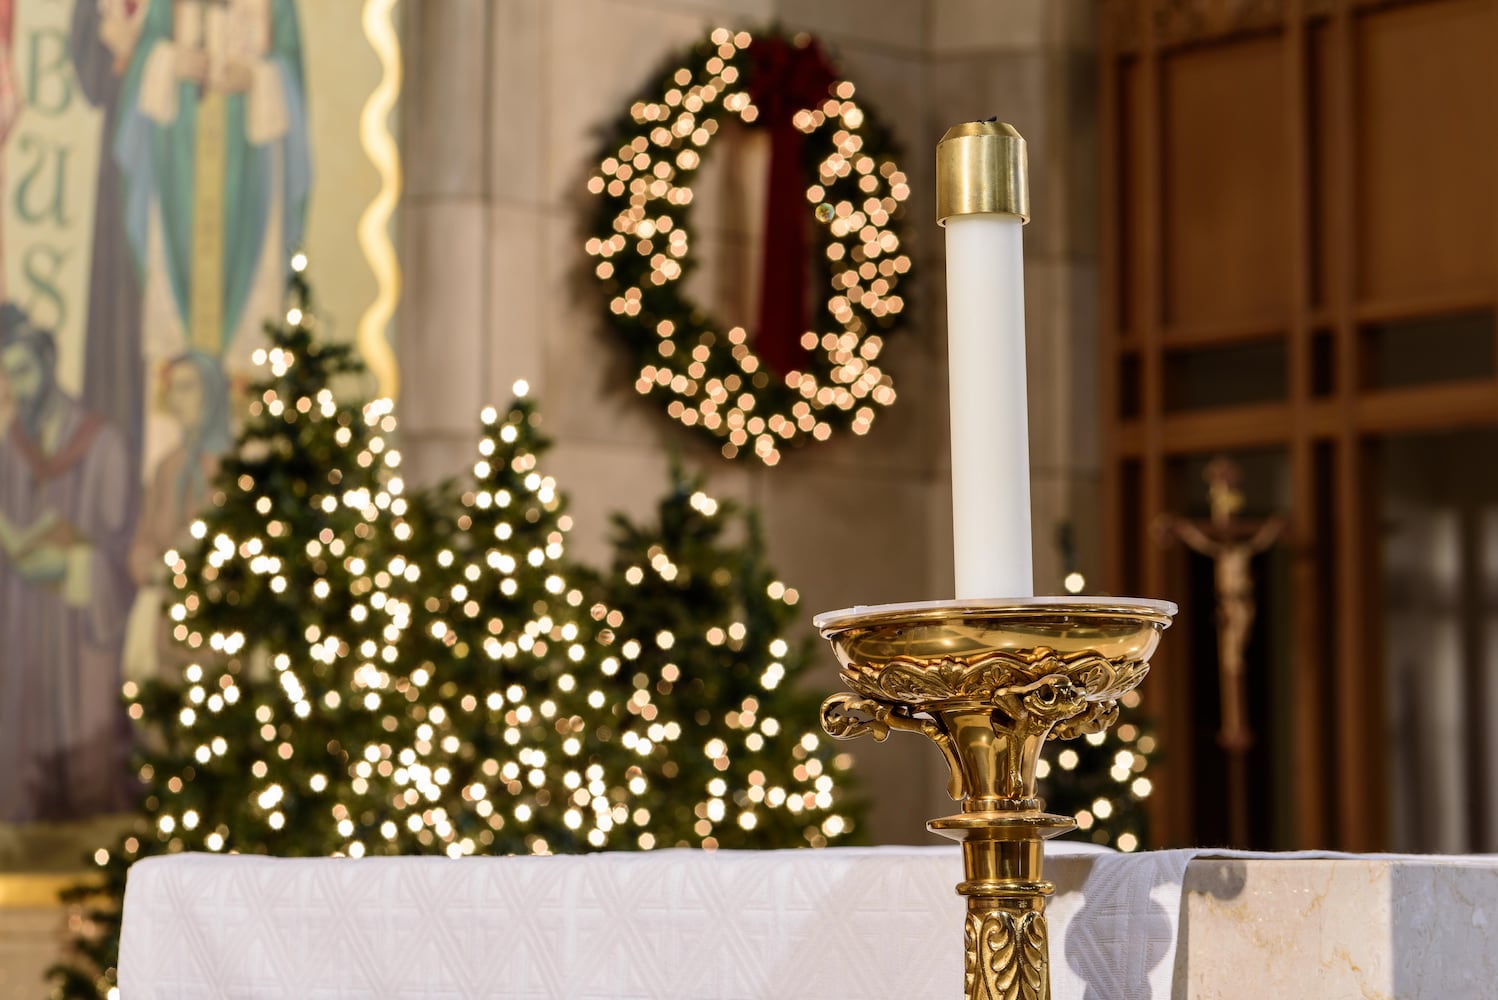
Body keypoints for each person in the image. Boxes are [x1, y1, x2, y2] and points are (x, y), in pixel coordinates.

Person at [114, 0, 311, 372]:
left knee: (249, 289)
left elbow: (292, 71)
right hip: (177, 164)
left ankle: (243, 392)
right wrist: (170, 61)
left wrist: (256, 78)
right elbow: (143, 58)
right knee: (172, 264)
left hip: (249, 172)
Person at [0, 306, 134, 822]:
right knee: (27, 706)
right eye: (9, 376)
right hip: (25, 604)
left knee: (82, 710)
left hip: (78, 603)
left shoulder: (101, 442)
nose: (18, 387)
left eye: (25, 372)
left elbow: (116, 536)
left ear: (51, 363)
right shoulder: (13, 445)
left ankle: (90, 810)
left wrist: (75, 560)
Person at [123, 350, 230, 681]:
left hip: (216, 623)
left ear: (211, 394)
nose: (176, 398)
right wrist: (151, 568)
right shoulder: (167, 468)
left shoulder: (233, 469)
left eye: (188, 388)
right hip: (166, 621)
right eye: (173, 388)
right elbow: (143, 540)